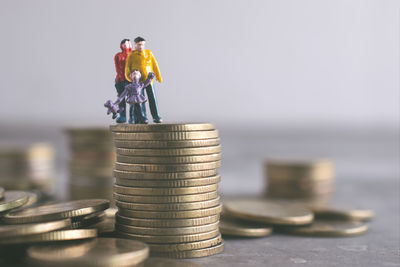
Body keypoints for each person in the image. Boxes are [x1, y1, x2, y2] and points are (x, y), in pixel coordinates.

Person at [125, 36, 163, 123]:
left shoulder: (149, 53)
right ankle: (143, 117)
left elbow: (155, 64)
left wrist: (158, 76)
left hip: (149, 80)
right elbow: (127, 67)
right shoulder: (131, 55)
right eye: (139, 44)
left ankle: (156, 115)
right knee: (139, 100)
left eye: (142, 44)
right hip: (138, 82)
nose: (141, 46)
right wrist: (129, 78)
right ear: (135, 45)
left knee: (152, 98)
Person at [113, 39, 133, 123]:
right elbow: (117, 67)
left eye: (127, 43)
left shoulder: (133, 55)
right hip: (120, 79)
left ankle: (132, 117)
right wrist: (121, 77)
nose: (126, 45)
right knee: (121, 98)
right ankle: (122, 116)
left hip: (130, 79)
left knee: (132, 99)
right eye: (124, 44)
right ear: (121, 45)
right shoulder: (118, 55)